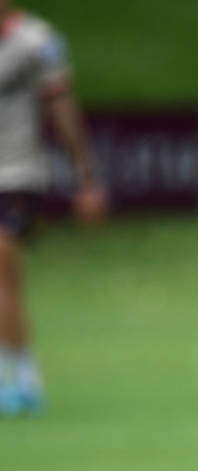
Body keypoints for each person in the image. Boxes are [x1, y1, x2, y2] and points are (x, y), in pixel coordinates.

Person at [0, 1, 106, 415]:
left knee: (3, 268)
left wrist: (87, 179)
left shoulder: (36, 41)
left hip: (17, 174)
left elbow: (62, 109)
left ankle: (21, 379)